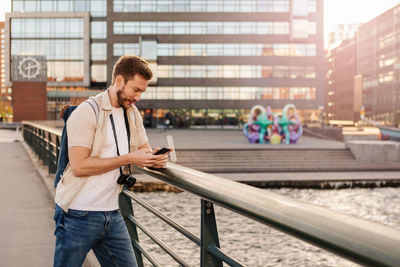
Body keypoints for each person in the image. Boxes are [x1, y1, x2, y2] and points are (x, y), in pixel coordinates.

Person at [53, 55, 168, 267]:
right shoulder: (88, 111)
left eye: (142, 91)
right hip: (77, 215)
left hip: (112, 214)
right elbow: (79, 166)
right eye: (136, 90)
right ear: (119, 81)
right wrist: (130, 158)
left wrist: (156, 158)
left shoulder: (132, 113)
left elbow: (144, 150)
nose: (138, 97)